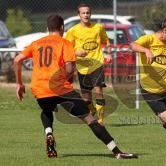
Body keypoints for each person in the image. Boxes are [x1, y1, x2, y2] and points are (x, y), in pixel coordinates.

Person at [14, 14, 137, 159]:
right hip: (61, 88)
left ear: (47, 28)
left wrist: (20, 84)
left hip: (40, 88)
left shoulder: (36, 43)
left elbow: (17, 60)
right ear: (62, 27)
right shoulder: (64, 43)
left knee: (47, 109)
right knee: (90, 119)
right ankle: (117, 152)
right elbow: (69, 67)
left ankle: (48, 133)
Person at [65, 3, 112, 125]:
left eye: (88, 12)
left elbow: (106, 41)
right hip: (82, 66)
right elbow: (66, 49)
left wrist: (109, 53)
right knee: (86, 98)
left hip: (97, 63)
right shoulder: (73, 31)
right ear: (78, 14)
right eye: (83, 13)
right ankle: (91, 110)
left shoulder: (98, 27)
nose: (86, 15)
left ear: (90, 13)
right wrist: (76, 52)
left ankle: (101, 120)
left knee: (98, 90)